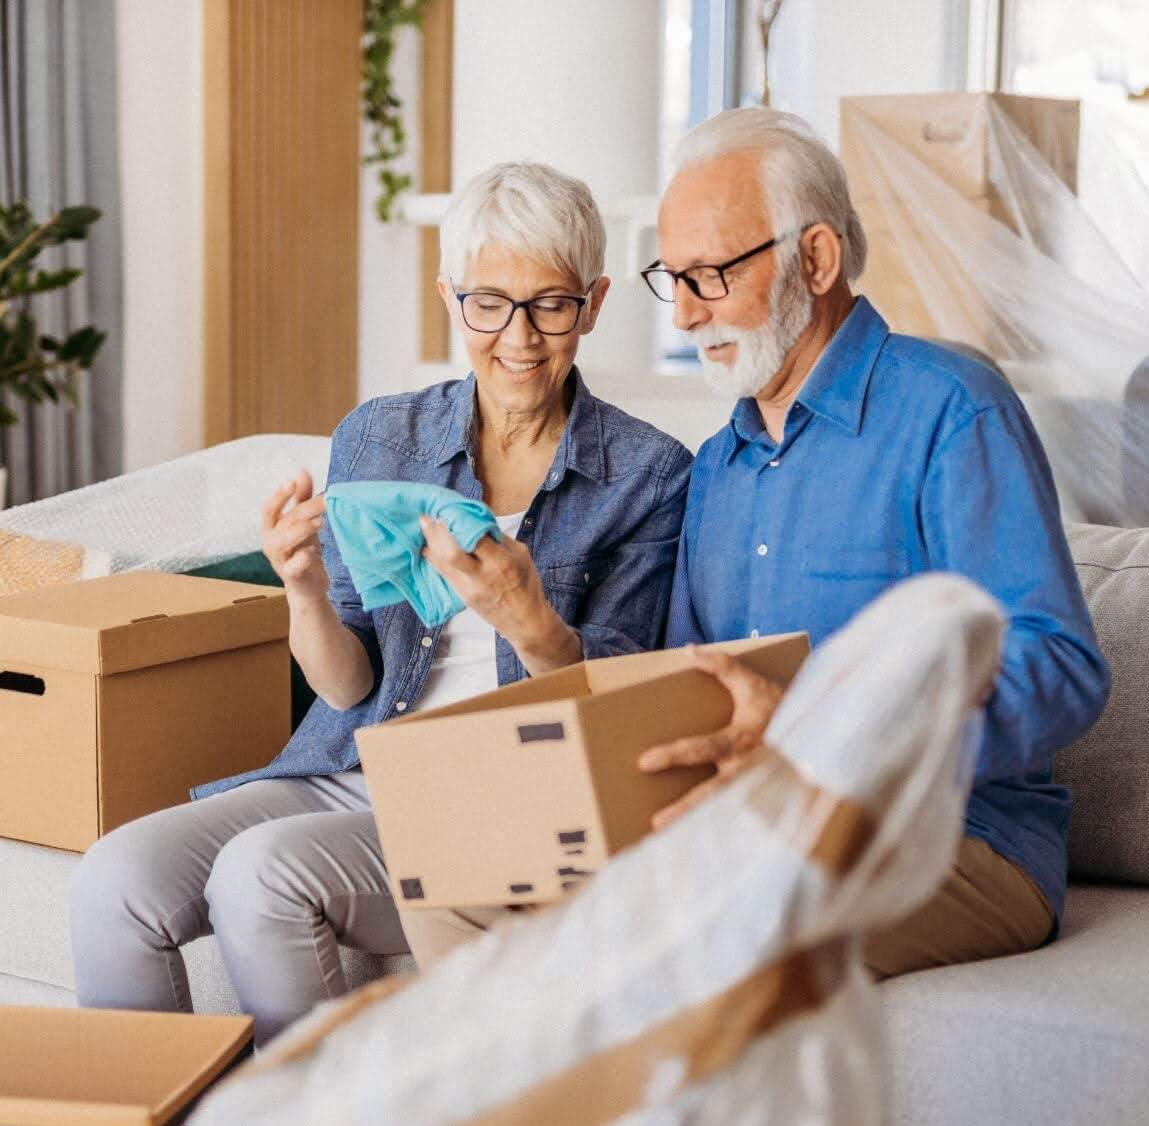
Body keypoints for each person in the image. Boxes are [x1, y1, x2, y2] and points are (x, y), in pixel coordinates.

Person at [69, 162, 691, 1043]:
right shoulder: (381, 436)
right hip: (352, 769)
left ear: (592, 304)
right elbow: (349, 686)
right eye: (488, 303)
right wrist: (305, 592)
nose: (518, 337)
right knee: (113, 879)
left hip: (506, 797)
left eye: (549, 304)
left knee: (259, 874)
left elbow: (628, 704)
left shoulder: (648, 473)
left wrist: (535, 625)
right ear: (449, 297)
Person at [639, 108, 1109, 986]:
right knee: (524, 915)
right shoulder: (716, 469)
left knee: (703, 944)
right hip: (761, 830)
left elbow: (1064, 667)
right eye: (674, 278)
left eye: (711, 273)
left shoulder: (952, 411)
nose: (689, 312)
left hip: (957, 837)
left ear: (814, 259)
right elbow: (691, 688)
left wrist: (843, 739)